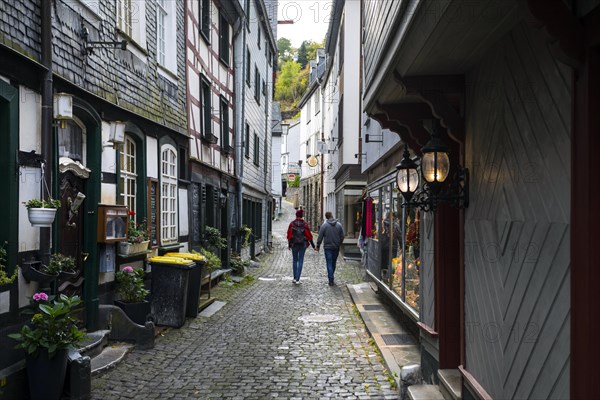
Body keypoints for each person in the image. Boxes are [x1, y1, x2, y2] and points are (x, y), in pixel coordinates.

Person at [287, 209, 315, 284]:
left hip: (294, 244)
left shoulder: (292, 224)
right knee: (300, 260)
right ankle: (298, 279)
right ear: (302, 216)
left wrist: (289, 245)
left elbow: (289, 235)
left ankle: (294, 277)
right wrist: (313, 246)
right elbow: (309, 236)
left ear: (296, 215)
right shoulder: (305, 224)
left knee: (295, 260)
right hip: (303, 244)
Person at [316, 211, 345, 286]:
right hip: (336, 246)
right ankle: (331, 276)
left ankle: (331, 279)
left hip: (328, 247)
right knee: (333, 262)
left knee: (329, 262)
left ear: (326, 217)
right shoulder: (339, 225)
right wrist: (339, 243)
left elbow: (320, 237)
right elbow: (342, 236)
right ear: (332, 216)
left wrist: (318, 246)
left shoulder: (324, 226)